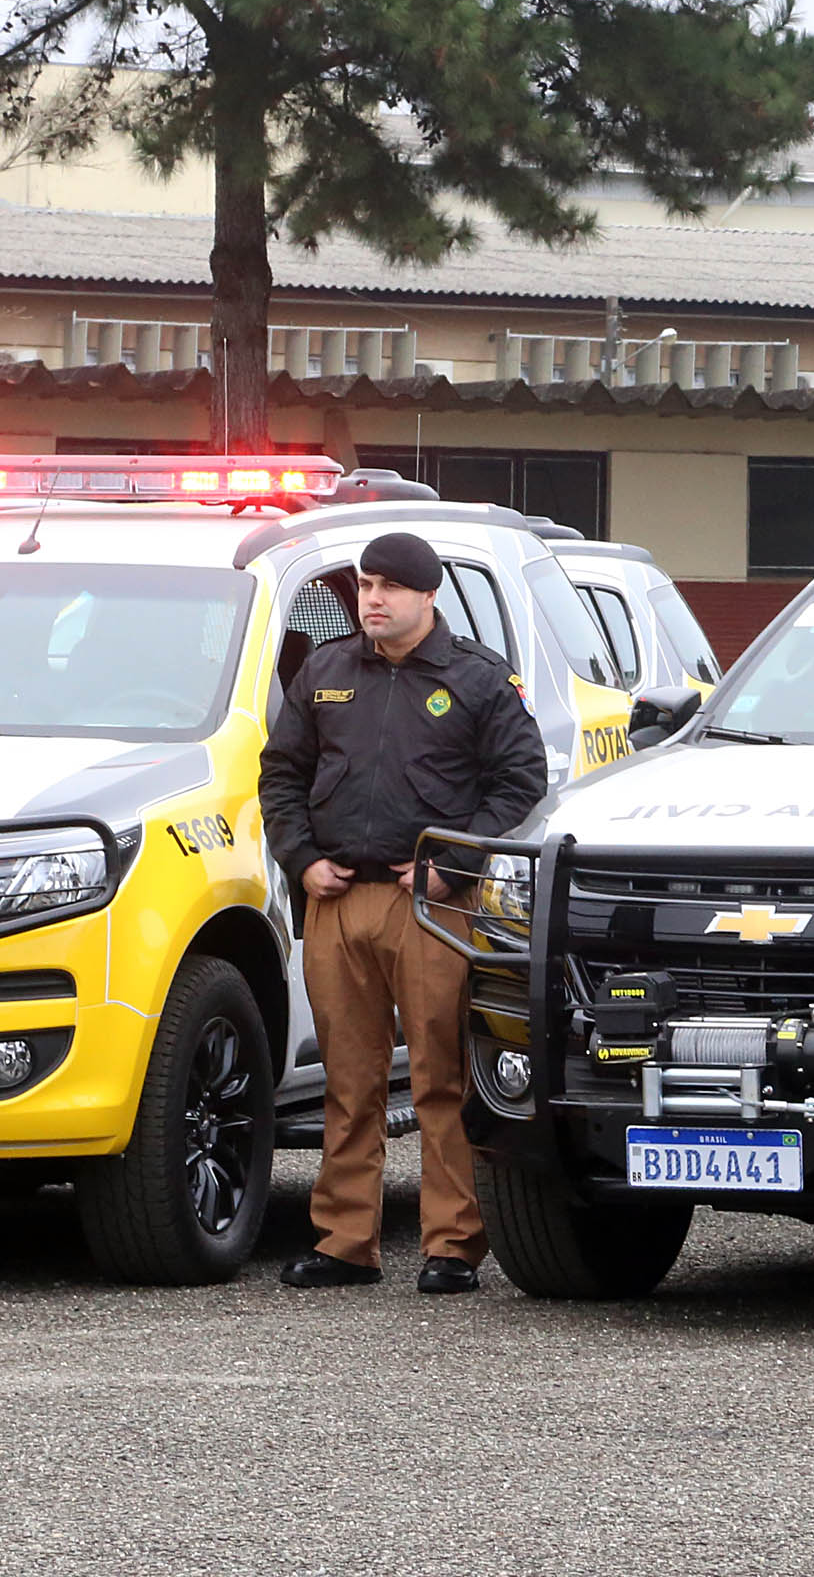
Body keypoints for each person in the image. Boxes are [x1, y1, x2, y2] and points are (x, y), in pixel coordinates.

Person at [259, 531, 547, 1293]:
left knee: (439, 1077)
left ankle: (452, 1246)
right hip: (338, 902)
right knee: (348, 1082)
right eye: (364, 585)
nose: (371, 600)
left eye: (388, 586)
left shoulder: (478, 679)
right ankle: (344, 1241)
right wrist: (300, 857)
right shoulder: (325, 671)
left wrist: (453, 866)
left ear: (428, 596)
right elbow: (281, 772)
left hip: (431, 909)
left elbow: (520, 782)